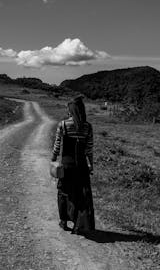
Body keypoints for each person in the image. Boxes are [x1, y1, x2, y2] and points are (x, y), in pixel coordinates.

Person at [51, 96, 95, 234]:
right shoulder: (87, 127)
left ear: (70, 110)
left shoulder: (63, 125)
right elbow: (89, 149)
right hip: (81, 166)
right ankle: (79, 223)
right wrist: (91, 164)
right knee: (80, 194)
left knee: (63, 192)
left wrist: (53, 159)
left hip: (67, 164)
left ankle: (64, 221)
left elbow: (57, 146)